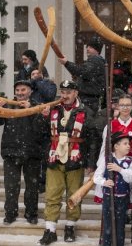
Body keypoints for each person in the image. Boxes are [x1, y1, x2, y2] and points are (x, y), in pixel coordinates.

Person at [38, 80, 97, 245]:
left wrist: (91, 163)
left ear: (76, 93)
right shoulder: (52, 109)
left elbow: (93, 139)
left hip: (75, 158)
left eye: (68, 92)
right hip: (54, 157)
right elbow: (41, 133)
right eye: (62, 92)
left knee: (74, 194)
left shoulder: (86, 111)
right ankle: (50, 230)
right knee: (52, 194)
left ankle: (70, 226)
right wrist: (43, 118)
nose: (65, 96)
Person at [0, 80, 45, 225]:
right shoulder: (8, 104)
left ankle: (31, 213)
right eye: (18, 90)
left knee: (32, 187)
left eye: (23, 90)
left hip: (32, 153)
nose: (20, 93)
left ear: (30, 91)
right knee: (11, 186)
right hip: (11, 152)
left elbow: (42, 128)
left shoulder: (38, 106)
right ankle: (10, 213)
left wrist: (32, 110)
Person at [94, 131, 132, 246]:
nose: (128, 146)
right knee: (108, 225)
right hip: (108, 198)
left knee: (120, 225)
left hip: (123, 199)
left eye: (129, 144)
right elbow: (96, 177)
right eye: (125, 143)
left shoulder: (130, 161)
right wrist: (104, 182)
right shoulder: (107, 159)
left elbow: (131, 178)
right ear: (116, 146)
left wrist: (120, 169)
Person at [58, 36, 106, 113]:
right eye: (87, 46)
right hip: (89, 100)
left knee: (84, 121)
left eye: (90, 47)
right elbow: (86, 75)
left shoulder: (95, 60)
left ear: (97, 50)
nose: (87, 49)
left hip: (88, 100)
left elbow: (82, 71)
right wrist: (78, 79)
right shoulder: (96, 61)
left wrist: (66, 63)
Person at [30, 68, 57, 194]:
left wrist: (39, 82)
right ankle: (35, 181)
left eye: (37, 74)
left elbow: (49, 95)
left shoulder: (49, 85)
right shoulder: (29, 86)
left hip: (46, 125)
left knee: (46, 155)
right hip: (32, 126)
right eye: (32, 74)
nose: (35, 76)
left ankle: (44, 181)